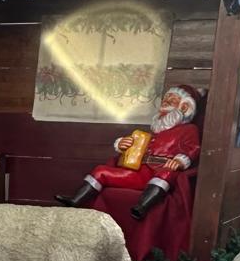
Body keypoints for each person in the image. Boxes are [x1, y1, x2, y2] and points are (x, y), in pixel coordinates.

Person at [57, 84, 203, 221]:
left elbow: (193, 148)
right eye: (165, 98)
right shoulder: (155, 132)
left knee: (165, 173)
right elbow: (138, 149)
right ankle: (75, 201)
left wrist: (179, 161)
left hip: (164, 172)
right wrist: (123, 144)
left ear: (184, 106)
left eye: (172, 99)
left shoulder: (189, 129)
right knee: (101, 171)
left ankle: (141, 207)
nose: (165, 101)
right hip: (141, 172)